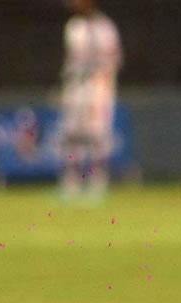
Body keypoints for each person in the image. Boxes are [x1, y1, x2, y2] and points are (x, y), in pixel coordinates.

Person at [58, 0, 122, 201]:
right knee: (71, 134)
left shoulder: (105, 27)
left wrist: (104, 87)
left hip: (98, 85)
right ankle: (72, 181)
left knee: (97, 134)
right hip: (76, 84)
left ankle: (97, 181)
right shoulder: (73, 27)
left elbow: (113, 59)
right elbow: (71, 59)